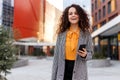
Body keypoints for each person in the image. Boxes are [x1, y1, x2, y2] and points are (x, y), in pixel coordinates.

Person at [51, 4, 93, 80]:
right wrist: (53, 77)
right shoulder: (61, 34)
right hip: (62, 71)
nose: (73, 15)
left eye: (76, 13)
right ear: (67, 17)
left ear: (80, 16)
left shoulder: (86, 34)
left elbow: (91, 54)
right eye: (70, 13)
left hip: (79, 72)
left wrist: (85, 55)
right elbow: (56, 58)